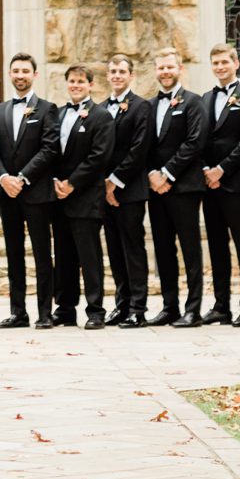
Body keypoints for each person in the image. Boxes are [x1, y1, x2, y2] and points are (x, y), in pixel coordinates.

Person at [0, 51, 61, 329]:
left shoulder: (47, 108)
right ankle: (18, 312)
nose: (20, 76)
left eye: (25, 71)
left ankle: (44, 312)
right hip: (7, 192)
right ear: (10, 74)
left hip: (36, 192)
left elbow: (49, 148)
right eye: (15, 71)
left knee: (42, 253)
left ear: (34, 75)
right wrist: (4, 177)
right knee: (13, 252)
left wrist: (23, 177)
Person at [200, 41, 240, 325]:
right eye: (215, 63)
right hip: (208, 184)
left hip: (235, 183)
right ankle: (221, 305)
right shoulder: (204, 98)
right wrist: (205, 170)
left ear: (236, 64)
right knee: (216, 246)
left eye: (225, 62)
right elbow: (198, 138)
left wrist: (221, 170)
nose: (220, 67)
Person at [50, 63, 116, 328]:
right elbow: (50, 150)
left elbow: (99, 157)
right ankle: (65, 307)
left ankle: (95, 309)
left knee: (89, 255)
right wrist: (56, 181)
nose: (76, 85)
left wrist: (73, 183)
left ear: (90, 84)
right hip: (59, 196)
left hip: (86, 195)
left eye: (80, 81)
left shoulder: (101, 117)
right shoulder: (58, 114)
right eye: (72, 81)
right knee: (63, 254)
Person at [145, 46, 207, 328]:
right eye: (160, 67)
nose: (165, 72)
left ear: (180, 69)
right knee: (163, 249)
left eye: (170, 67)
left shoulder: (193, 102)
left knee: (190, 248)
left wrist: (167, 174)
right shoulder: (149, 105)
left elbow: (194, 143)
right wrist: (151, 175)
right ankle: (170, 306)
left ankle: (193, 309)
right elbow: (143, 145)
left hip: (183, 187)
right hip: (155, 189)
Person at [100, 53, 154, 327]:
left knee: (132, 248)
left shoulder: (141, 107)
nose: (117, 76)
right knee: (114, 250)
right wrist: (102, 183)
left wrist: (115, 181)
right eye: (113, 71)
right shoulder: (99, 107)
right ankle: (121, 304)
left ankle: (138, 307)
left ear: (131, 75)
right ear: (107, 75)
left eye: (122, 71)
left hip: (130, 190)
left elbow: (139, 149)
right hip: (104, 193)